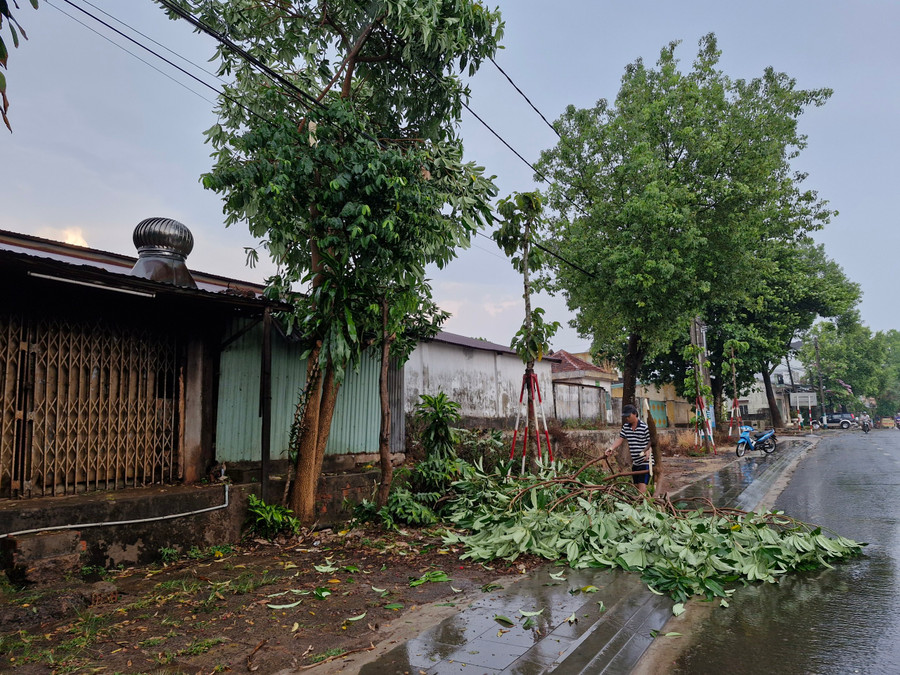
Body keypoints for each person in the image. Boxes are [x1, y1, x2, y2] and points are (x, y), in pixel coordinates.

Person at [606, 403, 653, 494]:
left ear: (635, 414)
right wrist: (611, 448)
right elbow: (620, 439)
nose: (627, 418)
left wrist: (648, 451)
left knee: (642, 489)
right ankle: (647, 503)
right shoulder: (626, 427)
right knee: (636, 487)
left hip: (645, 462)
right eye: (625, 416)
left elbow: (651, 442)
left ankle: (644, 505)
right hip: (635, 462)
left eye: (628, 416)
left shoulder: (645, 427)